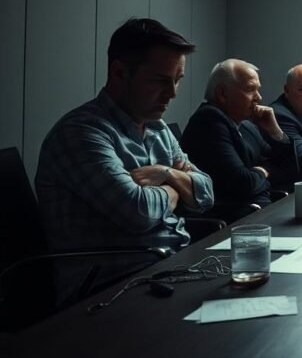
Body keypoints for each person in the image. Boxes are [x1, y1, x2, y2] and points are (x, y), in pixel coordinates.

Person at [34, 18, 214, 303]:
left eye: (177, 80)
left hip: (169, 268)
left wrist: (165, 173)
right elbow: (138, 212)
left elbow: (206, 193)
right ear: (119, 72)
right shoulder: (81, 133)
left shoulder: (157, 128)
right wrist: (176, 187)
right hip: (110, 290)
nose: (172, 93)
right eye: (160, 80)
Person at [180, 59, 296, 216]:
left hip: (261, 211)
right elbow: (243, 183)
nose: (259, 97)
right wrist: (264, 171)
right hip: (236, 219)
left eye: (258, 90)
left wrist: (275, 132)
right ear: (222, 93)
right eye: (250, 89)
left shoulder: (245, 124)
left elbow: (289, 169)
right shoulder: (209, 121)